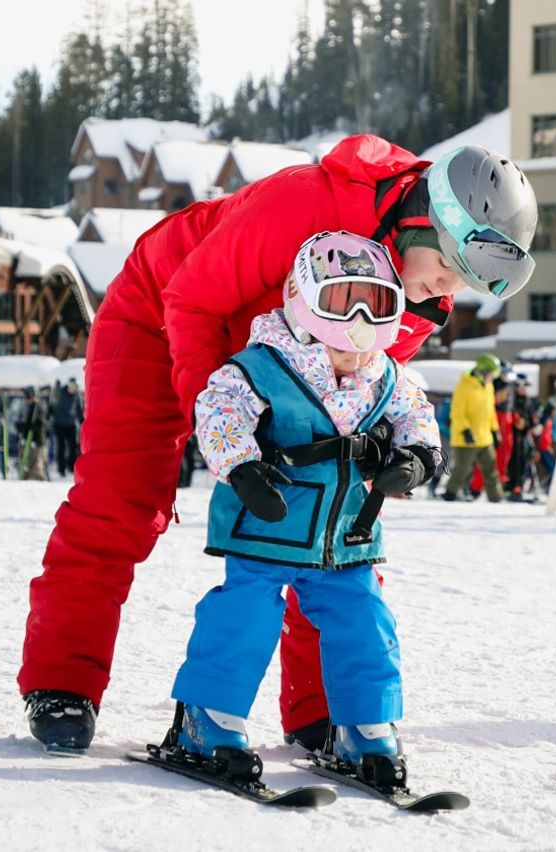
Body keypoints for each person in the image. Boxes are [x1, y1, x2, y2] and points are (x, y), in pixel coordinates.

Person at [18, 135, 538, 752]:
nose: (445, 291)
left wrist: (382, 447)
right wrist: (223, 433)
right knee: (122, 499)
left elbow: (362, 389)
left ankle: (322, 709)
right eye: (448, 270)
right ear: (422, 223)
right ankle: (62, 682)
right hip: (160, 320)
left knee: (326, 518)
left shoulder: (417, 302)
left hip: (265, 362)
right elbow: (191, 299)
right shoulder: (307, 202)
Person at [156, 232, 441, 776]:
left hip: (344, 536)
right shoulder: (261, 367)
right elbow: (218, 411)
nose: (354, 354)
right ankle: (208, 718)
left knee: (365, 620)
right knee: (245, 613)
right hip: (269, 522)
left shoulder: (385, 375)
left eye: (370, 324)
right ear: (302, 304)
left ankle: (365, 725)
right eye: (340, 330)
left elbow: (417, 417)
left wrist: (418, 458)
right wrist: (241, 466)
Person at [441, 354, 505, 503]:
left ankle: (496, 498)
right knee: (462, 470)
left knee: (491, 469)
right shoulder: (464, 386)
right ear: (482, 372)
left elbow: (490, 411)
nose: (492, 378)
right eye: (490, 374)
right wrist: (465, 430)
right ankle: (450, 495)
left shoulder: (488, 386)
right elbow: (457, 412)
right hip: (466, 437)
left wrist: (495, 431)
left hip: (484, 437)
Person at [51, 378, 83, 477]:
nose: (73, 390)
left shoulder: (77, 395)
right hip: (59, 424)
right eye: (72, 388)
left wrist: (82, 420)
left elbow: (79, 409)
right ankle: (61, 469)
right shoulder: (59, 392)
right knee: (61, 447)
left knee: (73, 447)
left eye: (75, 388)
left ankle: (71, 467)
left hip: (71, 424)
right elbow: (52, 406)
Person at [17, 387, 48, 481]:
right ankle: (24, 478)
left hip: (36, 440)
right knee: (24, 462)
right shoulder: (26, 407)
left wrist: (27, 426)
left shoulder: (39, 407)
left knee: (36, 464)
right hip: (26, 439)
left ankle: (37, 481)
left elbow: (40, 424)